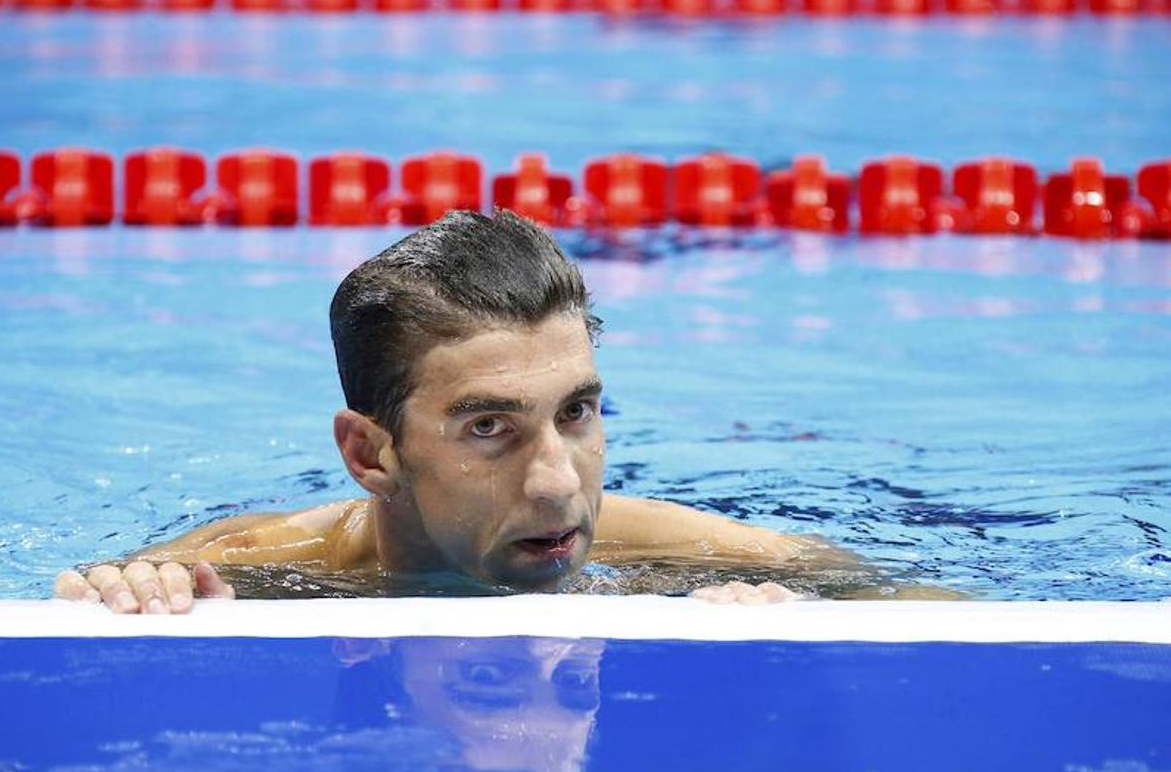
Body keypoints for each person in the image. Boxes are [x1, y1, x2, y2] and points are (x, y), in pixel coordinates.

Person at [54, 210, 926, 614]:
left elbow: (936, 602)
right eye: (487, 428)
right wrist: (127, 594)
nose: (557, 488)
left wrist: (812, 629)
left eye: (576, 413)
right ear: (370, 455)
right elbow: (76, 604)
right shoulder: (255, 565)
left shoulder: (687, 551)